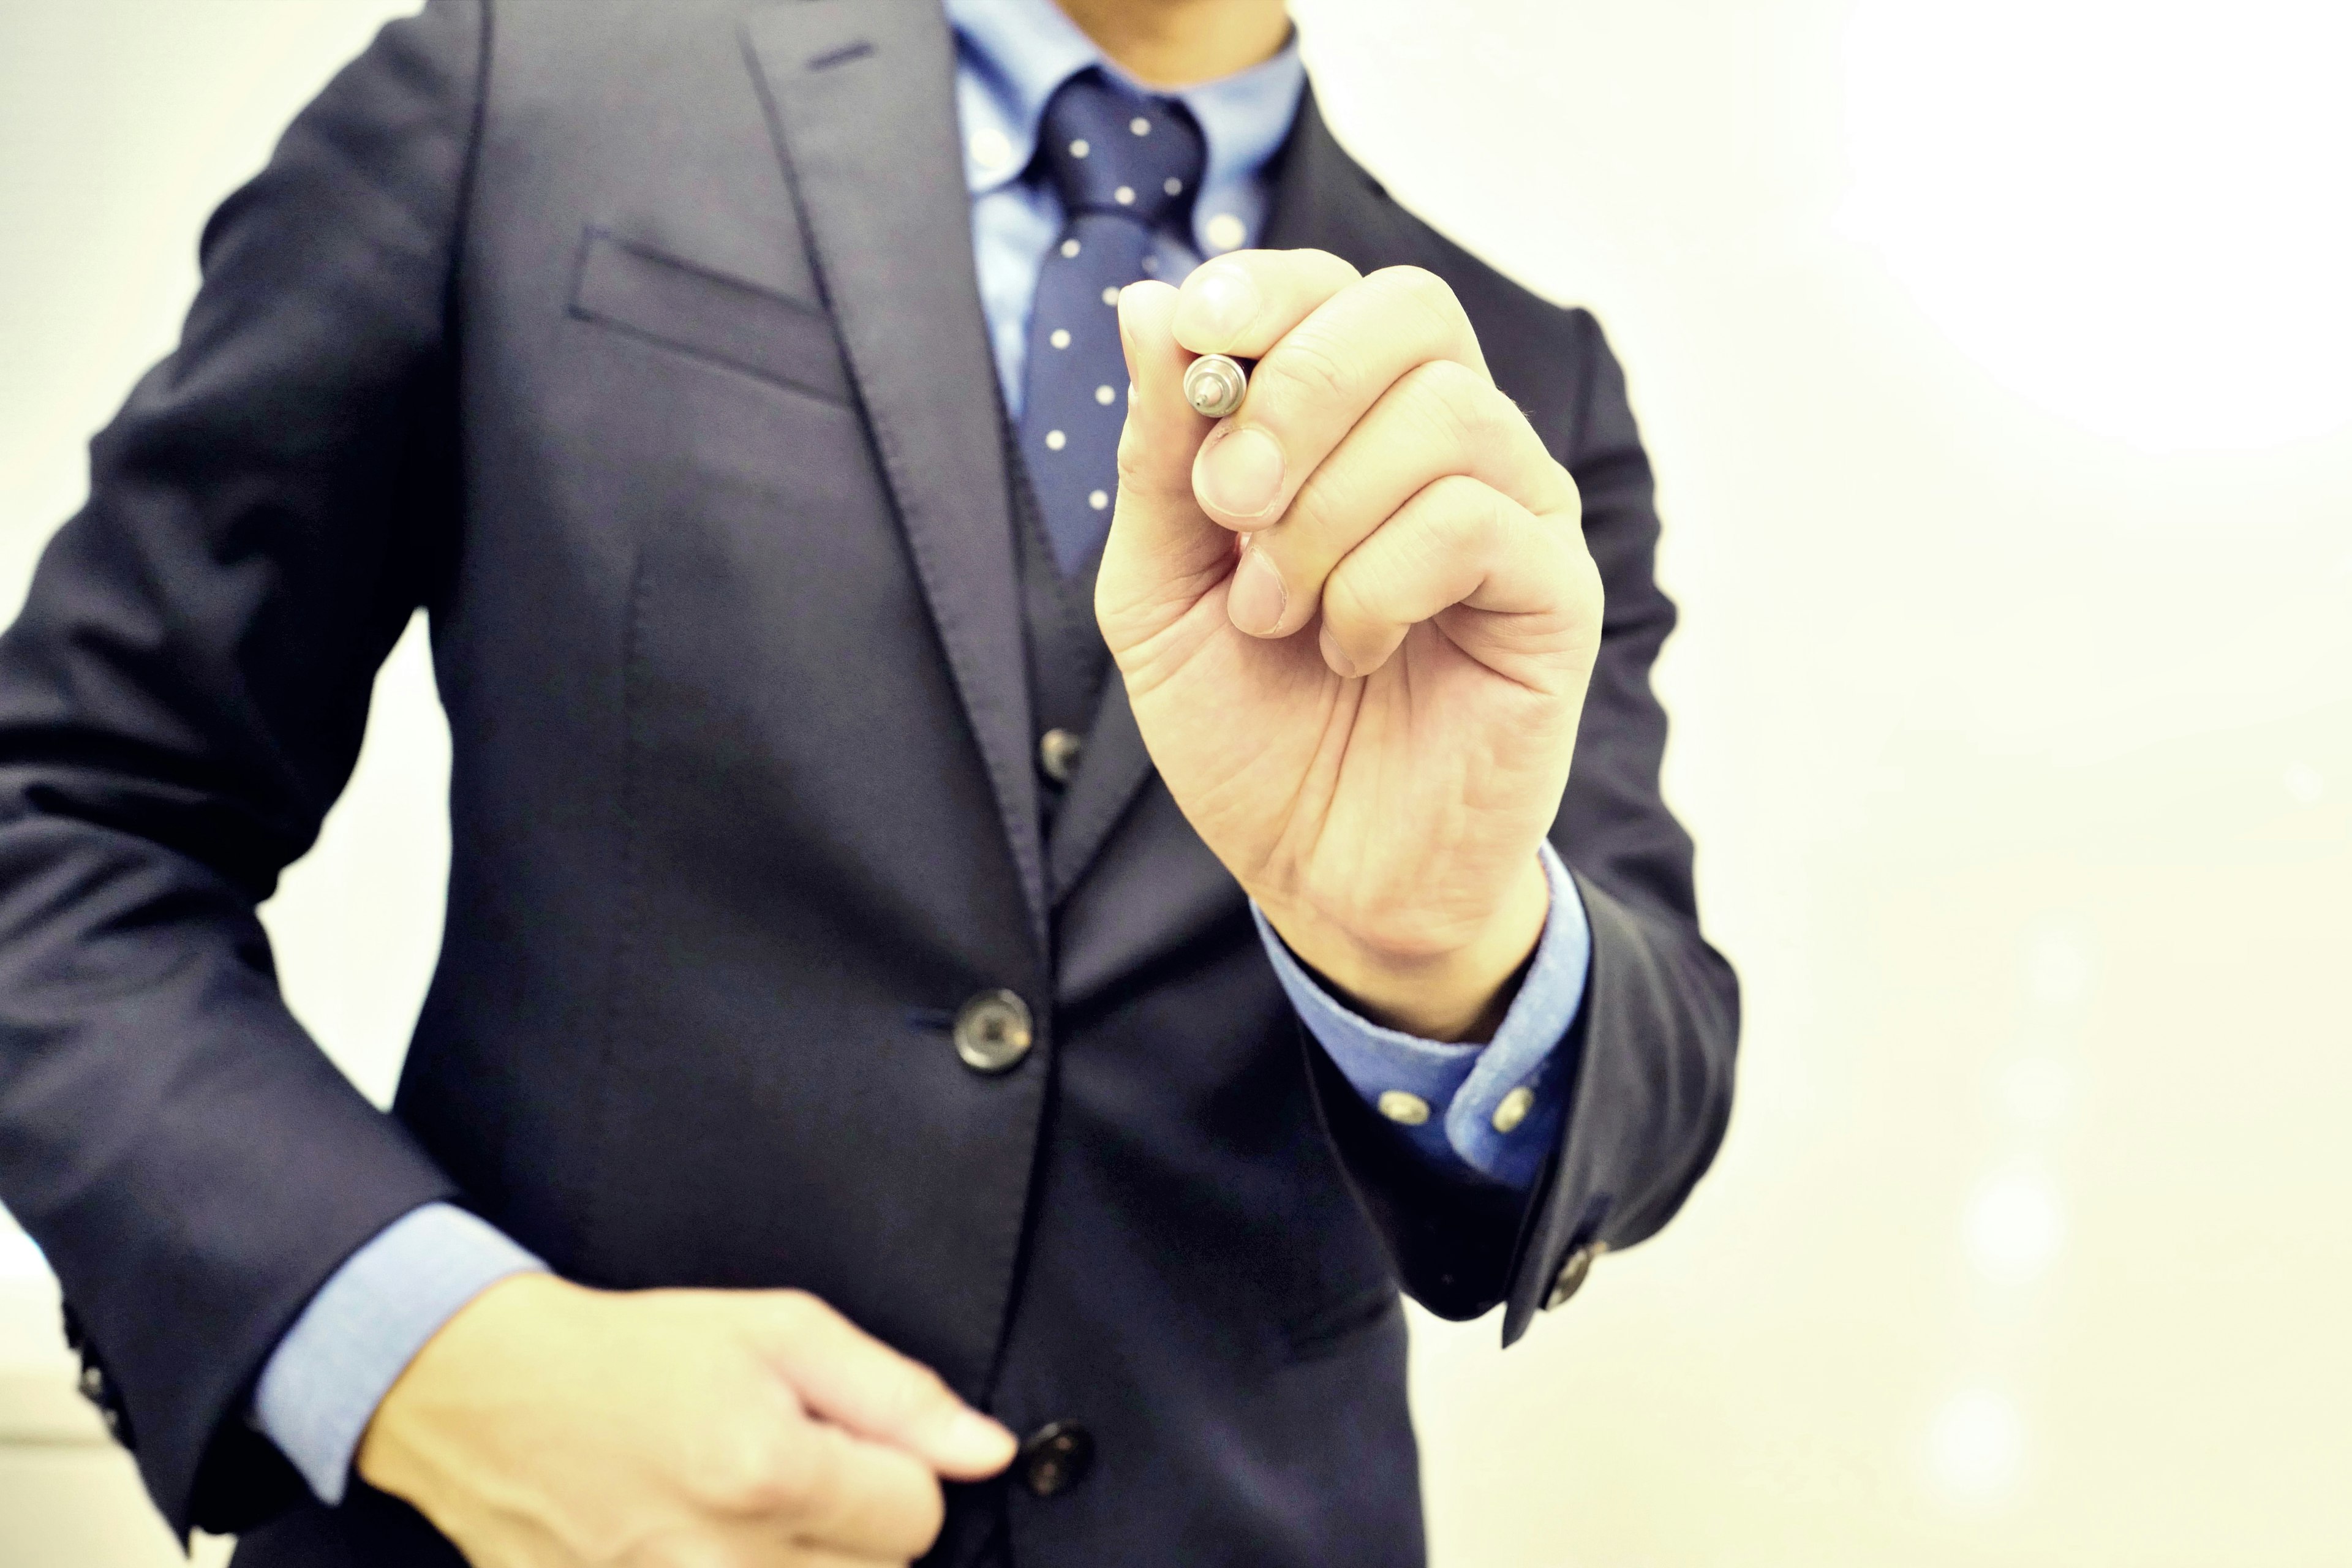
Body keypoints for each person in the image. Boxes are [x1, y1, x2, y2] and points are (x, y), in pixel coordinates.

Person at [0, 0, 1738, 1563]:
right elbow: (61, 829)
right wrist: (433, 1354)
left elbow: (1656, 1068)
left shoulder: (1513, 393)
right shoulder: (514, 88)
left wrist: (1445, 956)